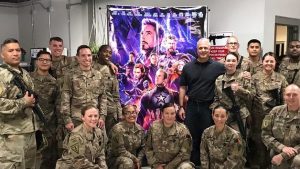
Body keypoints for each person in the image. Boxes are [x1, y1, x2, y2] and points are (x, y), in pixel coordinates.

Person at [179, 38, 225, 166]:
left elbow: (232, 73)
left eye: (206, 48)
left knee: (207, 137)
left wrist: (244, 74)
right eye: (201, 48)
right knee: (191, 137)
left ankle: (207, 164)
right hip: (192, 106)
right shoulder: (188, 67)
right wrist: (181, 107)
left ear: (210, 49)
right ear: (197, 49)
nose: (203, 50)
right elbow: (182, 87)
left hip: (208, 107)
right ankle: (193, 164)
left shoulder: (219, 67)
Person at [0, 38, 38, 168]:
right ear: (2, 55)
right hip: (11, 136)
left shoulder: (25, 73)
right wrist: (23, 102)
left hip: (29, 131)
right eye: (11, 51)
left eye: (17, 50)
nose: (15, 53)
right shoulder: (1, 75)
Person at [250, 52, 288, 168]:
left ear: (275, 63)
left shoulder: (280, 78)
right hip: (258, 116)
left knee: (274, 140)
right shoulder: (255, 77)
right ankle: (259, 165)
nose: (269, 63)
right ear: (262, 62)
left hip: (275, 117)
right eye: (267, 61)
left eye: (272, 61)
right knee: (258, 141)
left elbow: (285, 97)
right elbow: (250, 96)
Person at [60, 45, 106, 131]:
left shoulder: (98, 75)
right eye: (83, 55)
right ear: (78, 57)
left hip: (94, 119)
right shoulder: (70, 75)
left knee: (97, 143)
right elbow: (65, 97)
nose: (87, 58)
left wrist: (102, 116)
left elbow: (103, 97)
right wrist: (67, 119)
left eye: (89, 55)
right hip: (77, 119)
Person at [30, 51, 59, 169]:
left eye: (47, 60)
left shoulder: (55, 82)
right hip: (30, 124)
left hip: (48, 125)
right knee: (30, 157)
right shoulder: (28, 78)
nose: (44, 62)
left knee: (48, 158)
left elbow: (58, 105)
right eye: (41, 59)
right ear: (37, 61)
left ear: (51, 63)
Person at [211, 52, 252, 135]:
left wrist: (239, 90)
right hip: (223, 116)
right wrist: (215, 110)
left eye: (233, 61)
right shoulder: (219, 79)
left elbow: (251, 96)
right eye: (228, 60)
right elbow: (216, 97)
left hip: (239, 115)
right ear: (224, 62)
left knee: (239, 141)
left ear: (237, 63)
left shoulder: (244, 77)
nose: (231, 63)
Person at [262, 84, 300, 169]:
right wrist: (281, 148)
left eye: (295, 95)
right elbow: (265, 134)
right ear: (284, 96)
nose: (291, 97)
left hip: (297, 152)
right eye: (288, 94)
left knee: (297, 161)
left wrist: (283, 155)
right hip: (278, 149)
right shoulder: (275, 111)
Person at [145, 103, 194, 169]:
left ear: (175, 114)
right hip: (158, 165)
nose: (169, 116)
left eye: (172, 113)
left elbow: (184, 154)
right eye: (167, 113)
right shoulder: (154, 127)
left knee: (187, 167)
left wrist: (167, 167)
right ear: (162, 114)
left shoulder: (182, 130)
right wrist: (155, 165)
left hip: (177, 165)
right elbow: (148, 148)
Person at [94, 45, 122, 134]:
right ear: (99, 52)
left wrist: (119, 114)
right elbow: (85, 54)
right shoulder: (91, 66)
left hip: (110, 110)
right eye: (105, 51)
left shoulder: (112, 70)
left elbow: (116, 95)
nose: (108, 54)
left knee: (111, 139)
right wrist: (109, 62)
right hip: (95, 109)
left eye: (110, 53)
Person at [107, 104, 145, 169]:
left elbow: (143, 147)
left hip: (133, 159)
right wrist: (135, 159)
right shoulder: (118, 129)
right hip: (115, 159)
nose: (131, 115)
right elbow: (120, 150)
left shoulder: (140, 129)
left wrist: (139, 159)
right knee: (128, 163)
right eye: (128, 113)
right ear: (123, 116)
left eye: (133, 112)